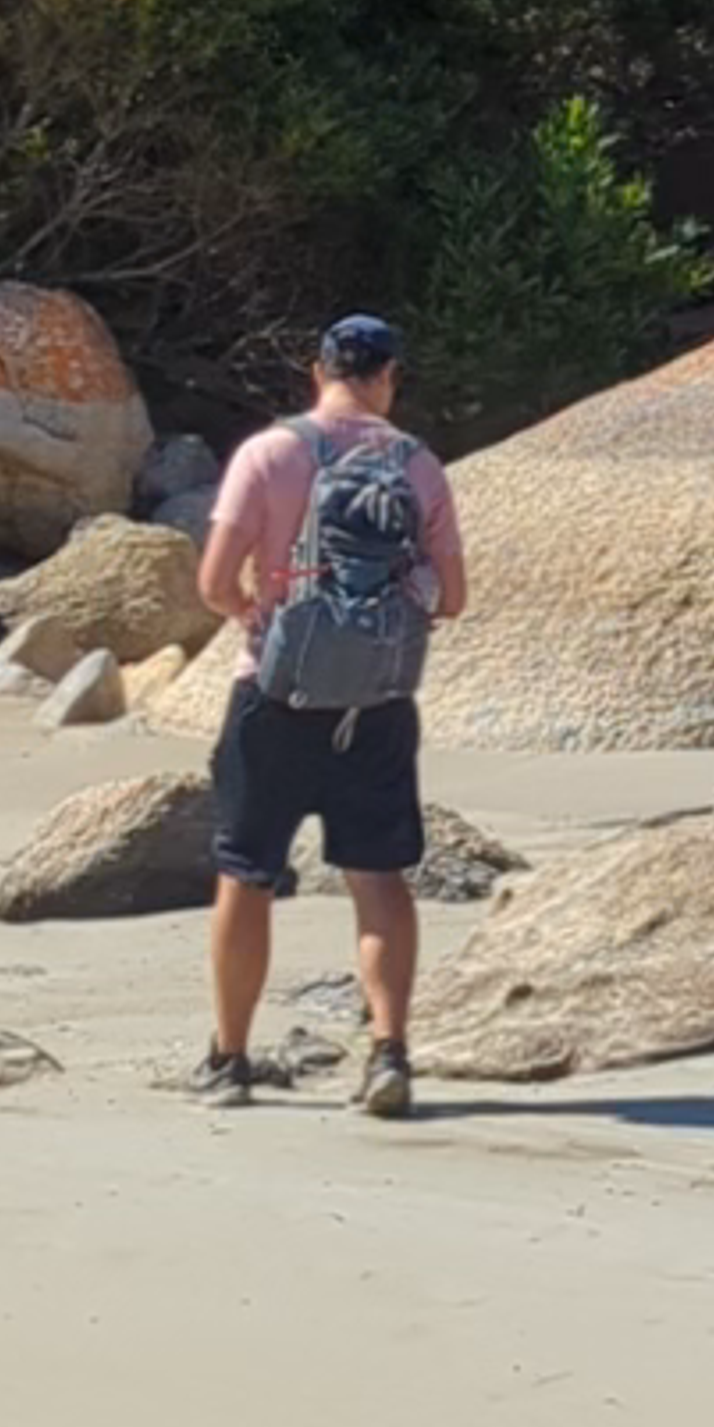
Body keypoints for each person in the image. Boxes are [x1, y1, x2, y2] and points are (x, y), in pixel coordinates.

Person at [193, 314, 468, 1118]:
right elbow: (452, 598)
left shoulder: (269, 453)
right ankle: (388, 1052)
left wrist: (256, 613)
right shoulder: (418, 467)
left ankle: (231, 1059)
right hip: (377, 704)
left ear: (319, 370)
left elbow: (213, 581)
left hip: (274, 694)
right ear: (390, 377)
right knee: (377, 877)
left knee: (246, 874)